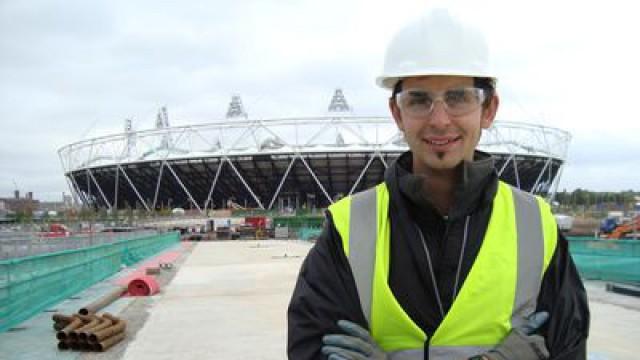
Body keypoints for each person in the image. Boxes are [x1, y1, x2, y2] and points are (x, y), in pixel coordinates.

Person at [287, 7, 589, 360]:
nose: (440, 120)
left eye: (458, 97)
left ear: (489, 109)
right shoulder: (348, 229)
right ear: (397, 113)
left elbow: (568, 347)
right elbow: (309, 349)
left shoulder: (536, 227)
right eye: (419, 100)